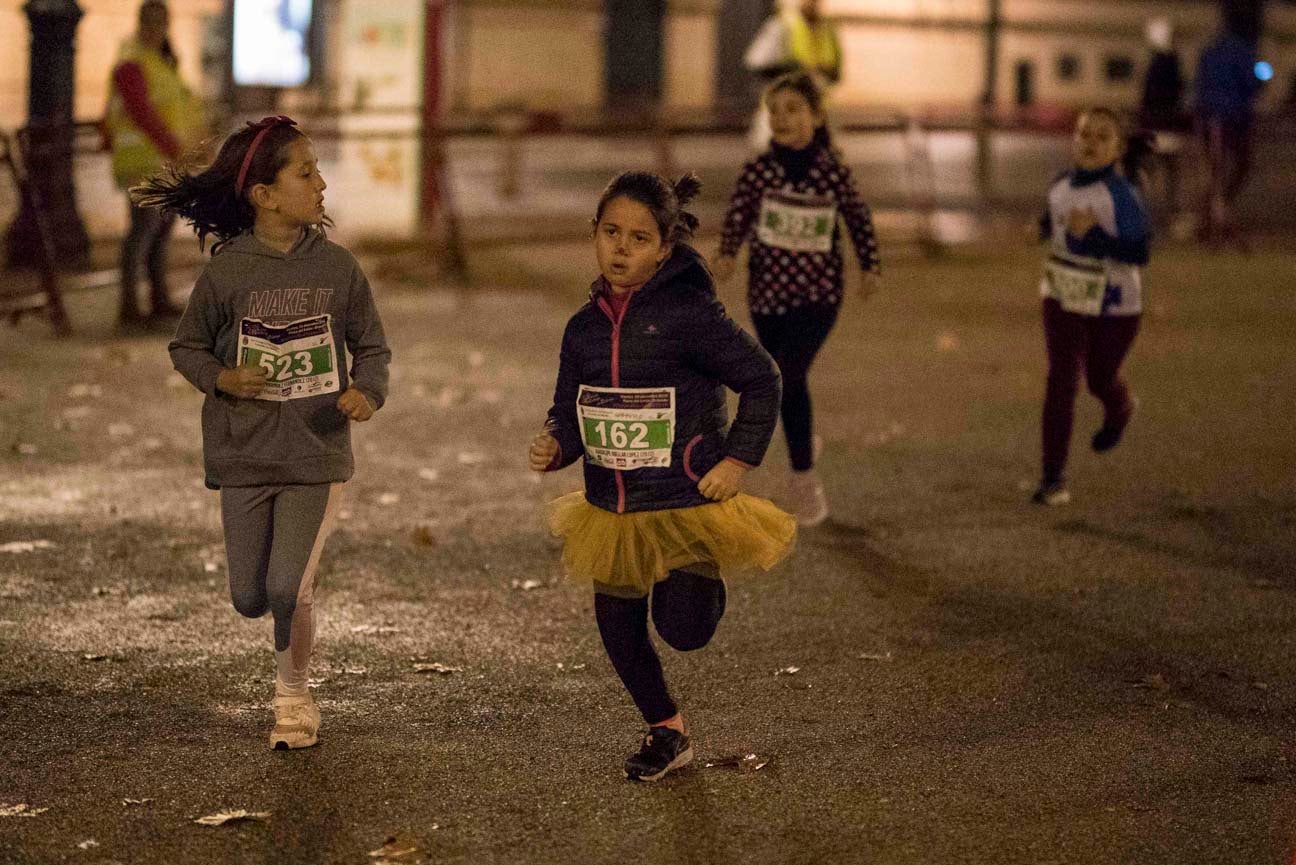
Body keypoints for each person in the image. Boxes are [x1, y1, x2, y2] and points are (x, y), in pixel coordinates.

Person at [134, 116, 392, 748]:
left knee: (285, 586)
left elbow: (373, 349)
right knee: (250, 595)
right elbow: (186, 347)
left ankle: (293, 699)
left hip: (316, 455)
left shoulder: (338, 268)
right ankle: (292, 597)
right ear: (264, 195)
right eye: (306, 172)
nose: (322, 182)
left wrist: (367, 392)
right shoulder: (226, 274)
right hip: (244, 456)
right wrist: (223, 378)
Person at [529, 171, 795, 782]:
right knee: (617, 626)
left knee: (684, 630)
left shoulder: (689, 315)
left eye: (639, 238)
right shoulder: (582, 328)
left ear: (665, 249)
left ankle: (704, 586)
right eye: (611, 233)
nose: (622, 248)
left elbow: (762, 378)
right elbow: (570, 404)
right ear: (593, 235)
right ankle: (666, 731)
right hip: (613, 507)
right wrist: (557, 444)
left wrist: (736, 461)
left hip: (684, 498)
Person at [712, 72, 880, 527]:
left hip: (819, 295)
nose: (782, 118)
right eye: (774, 111)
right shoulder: (758, 170)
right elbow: (739, 216)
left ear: (816, 115)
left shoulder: (832, 169)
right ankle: (803, 435)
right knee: (788, 381)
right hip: (768, 294)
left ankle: (804, 480)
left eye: (792, 109)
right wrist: (727, 254)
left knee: (787, 373)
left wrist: (869, 265)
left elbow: (857, 218)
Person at [1031, 108, 1153, 506]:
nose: (1090, 142)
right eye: (1084, 134)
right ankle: (1053, 478)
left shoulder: (1121, 195)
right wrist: (1042, 228)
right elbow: (1054, 220)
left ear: (1118, 150)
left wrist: (1098, 235)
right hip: (1063, 293)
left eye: (1102, 137)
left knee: (1100, 379)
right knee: (1062, 380)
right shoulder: (1059, 185)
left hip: (1115, 305)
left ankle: (1120, 407)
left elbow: (1140, 252)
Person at [104, 0, 205, 328]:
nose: (156, 28)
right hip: (144, 160)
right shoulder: (132, 61)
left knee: (160, 232)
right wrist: (175, 147)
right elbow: (140, 112)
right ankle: (130, 307)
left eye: (161, 22)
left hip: (166, 160)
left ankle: (158, 300)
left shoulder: (160, 62)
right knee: (143, 231)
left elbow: (176, 108)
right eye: (151, 22)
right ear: (141, 23)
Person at [1193, 23, 1262, 247]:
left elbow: (1199, 84)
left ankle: (1212, 219)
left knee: (1217, 171)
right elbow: (1252, 83)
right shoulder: (1243, 51)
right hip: (1233, 117)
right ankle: (1216, 223)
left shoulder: (1210, 51)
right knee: (1233, 168)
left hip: (1211, 116)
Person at [743, 0, 842, 149]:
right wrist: (793, 69)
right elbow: (756, 62)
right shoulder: (783, 25)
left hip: (816, 109)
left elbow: (836, 70)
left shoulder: (828, 28)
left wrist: (824, 72)